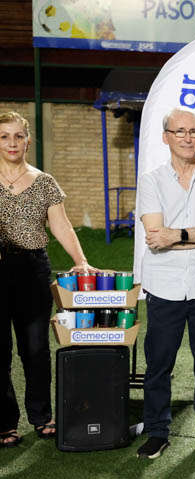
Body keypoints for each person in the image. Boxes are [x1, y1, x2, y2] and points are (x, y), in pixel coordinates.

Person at [136, 107, 195, 459]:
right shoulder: (151, 180)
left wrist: (178, 235)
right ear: (166, 138)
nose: (188, 137)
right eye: (180, 132)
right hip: (164, 285)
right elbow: (154, 236)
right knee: (159, 363)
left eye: (193, 131)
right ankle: (157, 432)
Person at [0, 110, 97, 447]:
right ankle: (4, 423)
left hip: (32, 269)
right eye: (4, 136)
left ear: (28, 140)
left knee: (36, 349)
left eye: (18, 136)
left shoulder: (44, 181)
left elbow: (61, 226)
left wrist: (81, 260)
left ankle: (41, 416)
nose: (12, 143)